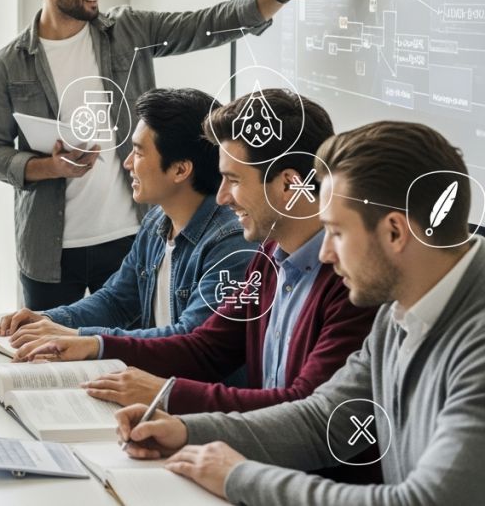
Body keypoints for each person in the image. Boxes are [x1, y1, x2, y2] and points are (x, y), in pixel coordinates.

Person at [111, 121, 485, 504]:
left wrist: (239, 477)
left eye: (337, 233)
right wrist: (186, 431)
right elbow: (324, 419)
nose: (325, 253)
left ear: (394, 232)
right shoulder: (399, 308)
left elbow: (426, 500)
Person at [0, 0, 346, 311]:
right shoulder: (8, 65)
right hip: (48, 249)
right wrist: (47, 167)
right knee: (49, 351)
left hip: (132, 234)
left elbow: (206, 24)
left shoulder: (126, 29)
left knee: (131, 350)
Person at [14, 91, 377, 421]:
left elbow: (304, 412)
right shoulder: (270, 255)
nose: (221, 197)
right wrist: (94, 344)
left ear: (288, 186)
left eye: (233, 180)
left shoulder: (349, 284)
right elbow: (208, 345)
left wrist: (166, 394)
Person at [0, 88, 254, 346]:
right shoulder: (156, 222)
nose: (127, 163)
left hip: (188, 385)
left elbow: (190, 339)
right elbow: (116, 300)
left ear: (180, 169)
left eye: (139, 152)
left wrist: (83, 340)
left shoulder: (231, 242)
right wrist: (48, 320)